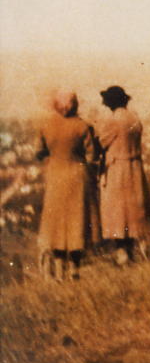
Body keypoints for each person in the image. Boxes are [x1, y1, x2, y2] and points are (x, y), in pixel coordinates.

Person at [36, 90, 100, 280]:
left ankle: (58, 268)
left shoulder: (46, 126)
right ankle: (74, 268)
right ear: (76, 105)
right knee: (76, 221)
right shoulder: (83, 126)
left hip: (55, 176)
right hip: (77, 176)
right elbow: (91, 155)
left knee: (56, 223)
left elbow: (40, 152)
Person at [97, 86, 150, 265]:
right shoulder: (134, 119)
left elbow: (100, 143)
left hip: (117, 169)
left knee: (117, 212)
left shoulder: (113, 121)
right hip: (135, 168)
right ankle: (131, 251)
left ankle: (122, 253)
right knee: (132, 211)